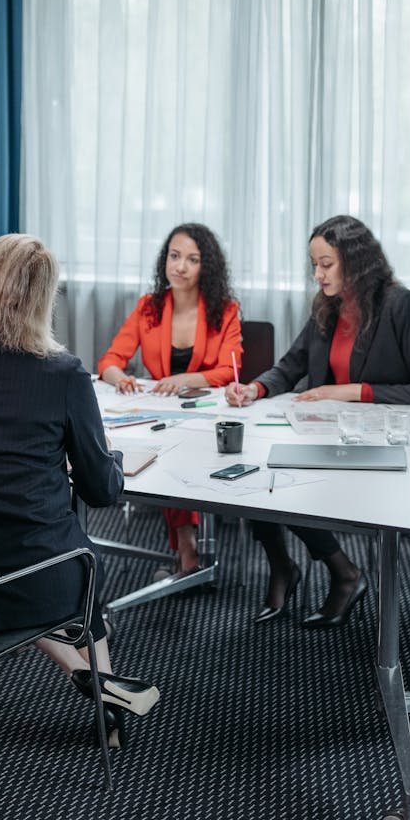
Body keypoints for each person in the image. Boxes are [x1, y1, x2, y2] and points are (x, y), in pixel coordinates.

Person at [0, 234, 160, 749]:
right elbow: (100, 492)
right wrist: (109, 457)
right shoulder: (64, 375)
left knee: (16, 559)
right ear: (43, 299)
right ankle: (108, 719)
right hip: (39, 579)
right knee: (74, 572)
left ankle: (87, 680)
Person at [225, 214, 410, 629]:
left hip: (386, 445)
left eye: (326, 264)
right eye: (314, 264)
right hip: (334, 434)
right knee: (259, 477)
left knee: (284, 482)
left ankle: (341, 572)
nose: (317, 274)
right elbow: (290, 365)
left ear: (355, 260)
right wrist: (254, 389)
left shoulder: (400, 305)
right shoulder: (327, 305)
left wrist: (351, 390)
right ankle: (291, 567)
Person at [98, 223, 242, 571]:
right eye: (174, 256)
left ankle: (187, 549)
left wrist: (181, 379)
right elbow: (110, 361)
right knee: (168, 452)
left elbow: (227, 370)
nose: (180, 266)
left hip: (206, 411)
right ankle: (188, 546)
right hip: (161, 411)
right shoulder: (149, 306)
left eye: (192, 260)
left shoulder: (225, 310)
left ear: (206, 266)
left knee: (183, 451)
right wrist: (120, 378)